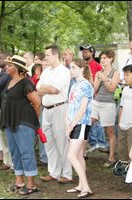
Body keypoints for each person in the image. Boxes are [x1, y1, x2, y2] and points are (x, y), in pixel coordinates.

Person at [1, 55, 41, 195]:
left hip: (24, 123)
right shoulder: (10, 81)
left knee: (26, 153)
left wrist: (33, 121)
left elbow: (37, 103)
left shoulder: (26, 83)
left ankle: (31, 184)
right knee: (15, 153)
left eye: (10, 65)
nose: (7, 67)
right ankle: (19, 181)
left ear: (18, 68)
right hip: (10, 122)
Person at [37, 45, 73, 184]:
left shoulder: (64, 71)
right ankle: (54, 172)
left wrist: (46, 88)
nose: (45, 58)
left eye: (47, 55)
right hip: (46, 109)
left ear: (55, 55)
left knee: (62, 142)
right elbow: (38, 88)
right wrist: (47, 88)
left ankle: (67, 173)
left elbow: (55, 90)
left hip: (59, 108)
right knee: (48, 141)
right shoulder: (46, 71)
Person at [66, 58, 93, 198]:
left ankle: (86, 186)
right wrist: (67, 124)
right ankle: (81, 185)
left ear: (82, 69)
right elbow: (70, 106)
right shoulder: (74, 84)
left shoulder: (86, 85)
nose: (71, 70)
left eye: (74, 67)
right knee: (78, 155)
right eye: (70, 67)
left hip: (81, 123)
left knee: (71, 155)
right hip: (73, 123)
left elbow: (83, 109)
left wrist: (72, 125)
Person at [91, 50, 120, 166]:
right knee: (87, 125)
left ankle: (112, 157)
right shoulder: (100, 72)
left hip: (108, 104)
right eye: (101, 58)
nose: (103, 60)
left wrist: (104, 78)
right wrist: (98, 78)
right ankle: (81, 153)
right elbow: (94, 90)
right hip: (96, 102)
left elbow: (112, 88)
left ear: (111, 59)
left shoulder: (115, 72)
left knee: (110, 131)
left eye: (105, 58)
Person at [0, 52, 14, 171]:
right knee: (2, 135)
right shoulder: (1, 72)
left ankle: (12, 162)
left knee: (8, 135)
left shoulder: (9, 73)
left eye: (0, 58)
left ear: (7, 60)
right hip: (0, 107)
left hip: (7, 108)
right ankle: (7, 161)